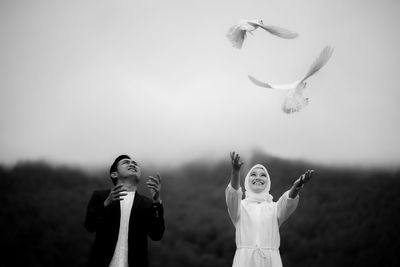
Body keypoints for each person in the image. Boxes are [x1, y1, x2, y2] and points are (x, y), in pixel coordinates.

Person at [225, 152, 313, 267]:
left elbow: (288, 200)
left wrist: (297, 186)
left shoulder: (274, 208)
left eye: (263, 175)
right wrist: (236, 172)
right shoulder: (239, 207)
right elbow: (233, 193)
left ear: (268, 182)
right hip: (244, 261)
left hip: (270, 261)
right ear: (247, 180)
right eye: (253, 174)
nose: (258, 178)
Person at [84, 155, 165, 267]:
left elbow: (156, 235)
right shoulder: (101, 196)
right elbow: (90, 225)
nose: (132, 164)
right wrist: (106, 204)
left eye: (135, 163)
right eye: (126, 162)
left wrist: (156, 202)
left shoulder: (147, 203)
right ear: (114, 174)